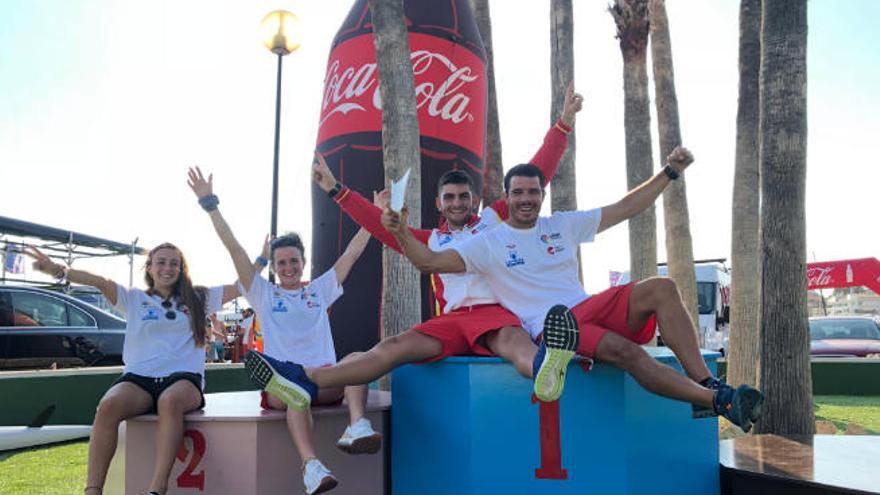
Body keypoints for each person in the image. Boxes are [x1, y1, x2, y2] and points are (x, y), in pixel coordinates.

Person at [241, 84, 583, 407]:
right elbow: (377, 223)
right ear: (439, 203)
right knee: (391, 348)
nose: (458, 203)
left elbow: (538, 171)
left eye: (464, 197)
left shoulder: (494, 221)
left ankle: (545, 374)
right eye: (450, 198)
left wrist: (563, 126)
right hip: (450, 321)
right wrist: (335, 188)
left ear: (476, 200)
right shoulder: (429, 240)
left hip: (495, 315)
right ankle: (303, 378)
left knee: (515, 344)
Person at [379, 148, 765, 432]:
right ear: (506, 197)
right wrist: (396, 229)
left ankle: (705, 382)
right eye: (518, 193)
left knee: (662, 287)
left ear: (541, 195)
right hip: (553, 328)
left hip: (585, 307)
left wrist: (669, 172)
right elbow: (429, 263)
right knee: (625, 352)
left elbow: (625, 208)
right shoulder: (488, 242)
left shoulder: (561, 225)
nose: (526, 199)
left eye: (533, 192)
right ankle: (719, 402)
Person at [188, 167, 380, 495]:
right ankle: (312, 467)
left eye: (294, 261)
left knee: (358, 360)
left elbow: (352, 253)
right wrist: (210, 204)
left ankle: (356, 425)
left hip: (323, 380)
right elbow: (234, 248)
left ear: (303, 263)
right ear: (273, 267)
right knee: (295, 394)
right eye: (282, 263)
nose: (289, 268)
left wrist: (374, 214)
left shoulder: (318, 290)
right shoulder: (263, 293)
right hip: (284, 382)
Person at [24, 244, 239, 495]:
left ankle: (157, 488)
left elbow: (243, 285)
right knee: (108, 406)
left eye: (174, 263)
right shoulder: (135, 298)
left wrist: (261, 260)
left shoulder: (200, 297)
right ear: (149, 267)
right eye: (161, 262)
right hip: (139, 379)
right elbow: (101, 282)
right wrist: (60, 271)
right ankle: (93, 490)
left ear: (181, 269)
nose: (167, 268)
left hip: (184, 379)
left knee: (169, 402)